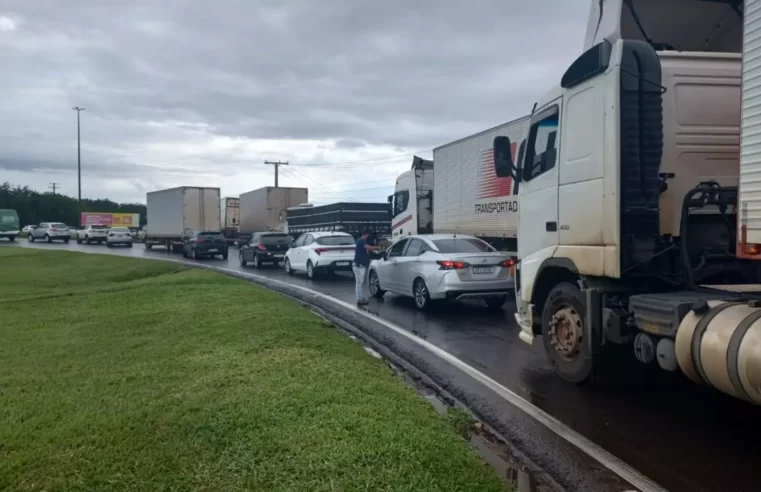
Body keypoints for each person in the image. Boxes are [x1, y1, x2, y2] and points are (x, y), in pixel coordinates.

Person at [353, 229, 381, 306]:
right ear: (366, 234)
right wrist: (377, 247)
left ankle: (361, 298)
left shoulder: (360, 241)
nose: (369, 237)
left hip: (359, 265)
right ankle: (359, 299)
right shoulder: (362, 240)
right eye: (368, 235)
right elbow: (368, 247)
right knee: (359, 283)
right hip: (359, 265)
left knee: (360, 282)